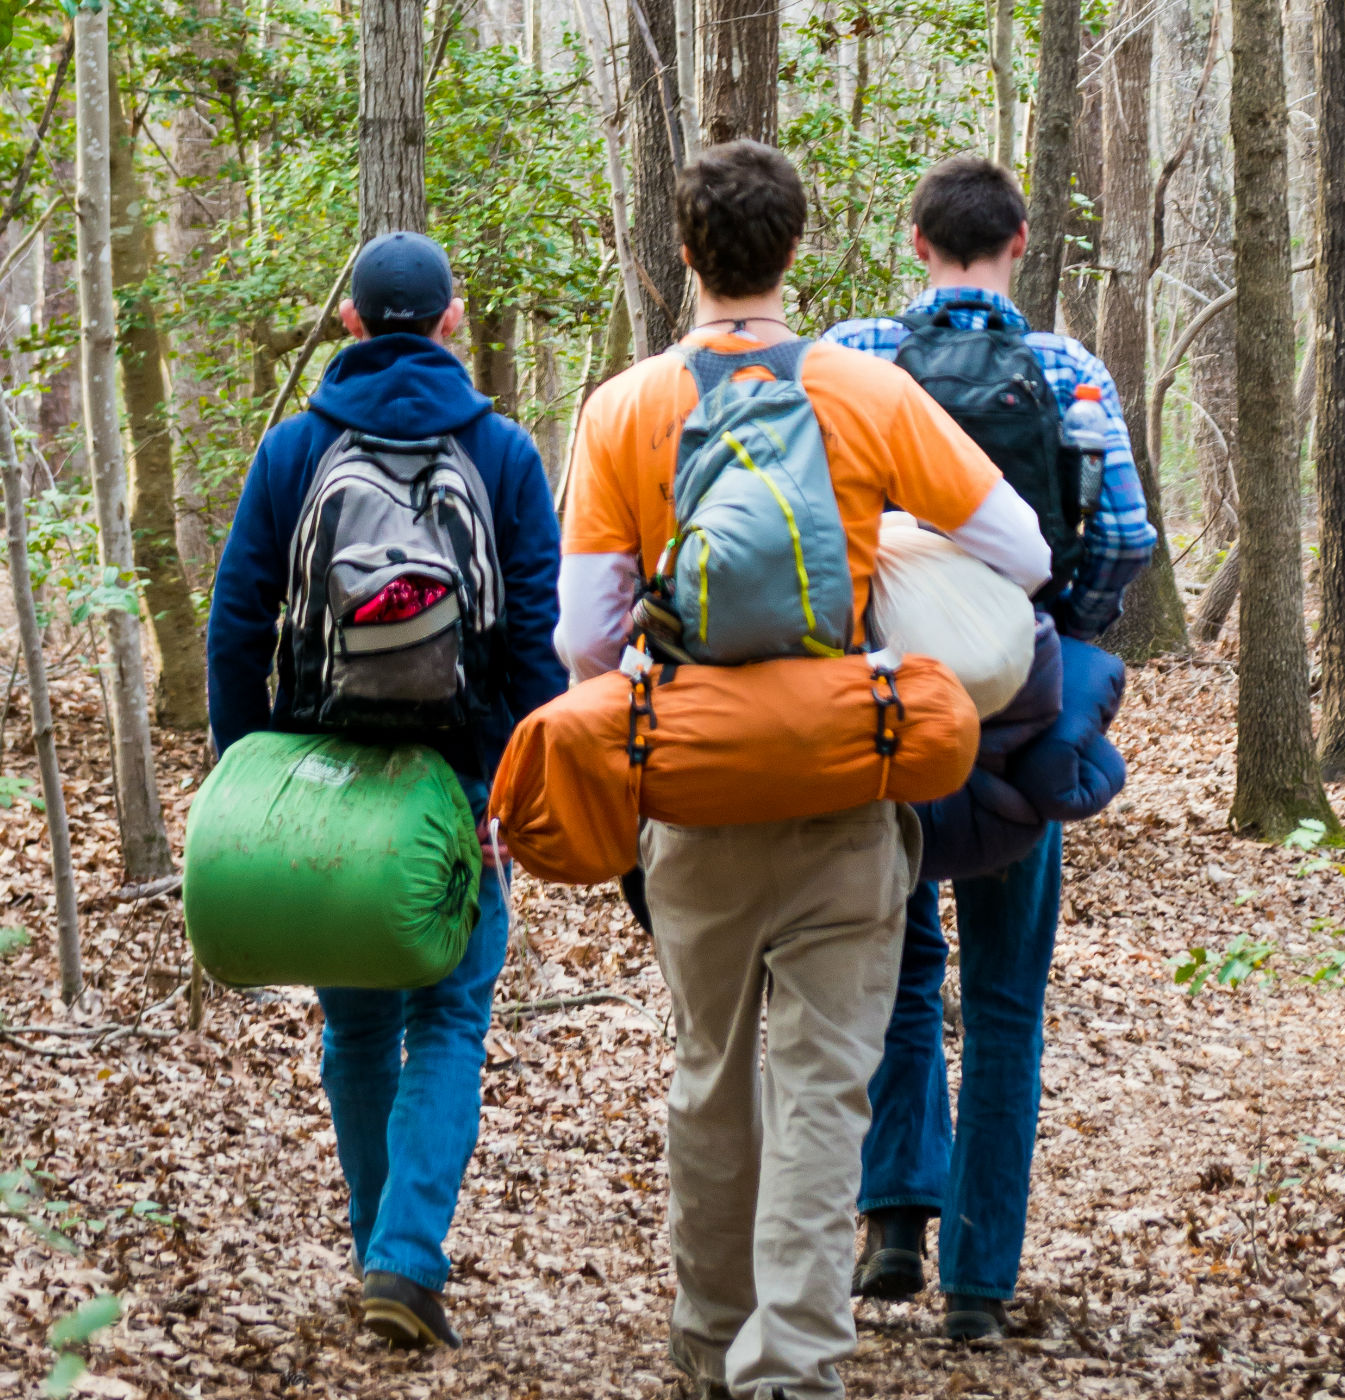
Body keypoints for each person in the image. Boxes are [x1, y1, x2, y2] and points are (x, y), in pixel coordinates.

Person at [555, 141, 1051, 1400]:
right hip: (846, 780)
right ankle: (795, 1364)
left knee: (710, 1068)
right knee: (825, 1079)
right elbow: (1026, 551)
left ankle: (709, 1338)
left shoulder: (622, 409)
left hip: (697, 784)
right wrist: (885, 544)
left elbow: (580, 637)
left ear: (684, 255)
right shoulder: (865, 393)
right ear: (797, 250)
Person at [206, 230, 565, 1349]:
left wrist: (251, 769)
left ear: (351, 322)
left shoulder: (295, 451)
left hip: (326, 772)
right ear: (452, 318)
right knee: (450, 1014)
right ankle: (404, 1259)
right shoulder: (502, 452)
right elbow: (539, 646)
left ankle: (382, 1255)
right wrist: (506, 786)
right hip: (457, 774)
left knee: (355, 1026)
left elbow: (236, 628)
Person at [822, 155, 1156, 1340]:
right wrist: (1061, 625)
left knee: (899, 966)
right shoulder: (1069, 370)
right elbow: (1121, 535)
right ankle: (977, 1280)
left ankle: (894, 1218)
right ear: (1019, 241)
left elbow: (812, 519)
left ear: (916, 240)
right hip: (1019, 707)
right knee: (1006, 998)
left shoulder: (852, 355)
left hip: (883, 708)